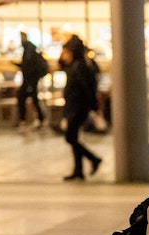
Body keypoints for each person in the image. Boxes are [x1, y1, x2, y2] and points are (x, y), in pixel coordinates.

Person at [58, 35, 102, 180]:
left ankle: (93, 159)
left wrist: (92, 106)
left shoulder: (79, 66)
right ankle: (79, 170)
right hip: (76, 106)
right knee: (73, 137)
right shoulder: (78, 64)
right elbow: (60, 64)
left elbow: (86, 88)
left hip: (78, 107)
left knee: (70, 137)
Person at [13, 32, 47, 130]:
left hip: (30, 80)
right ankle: (39, 119)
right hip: (30, 80)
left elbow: (28, 65)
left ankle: (32, 120)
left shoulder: (29, 49)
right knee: (32, 99)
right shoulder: (30, 48)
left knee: (26, 98)